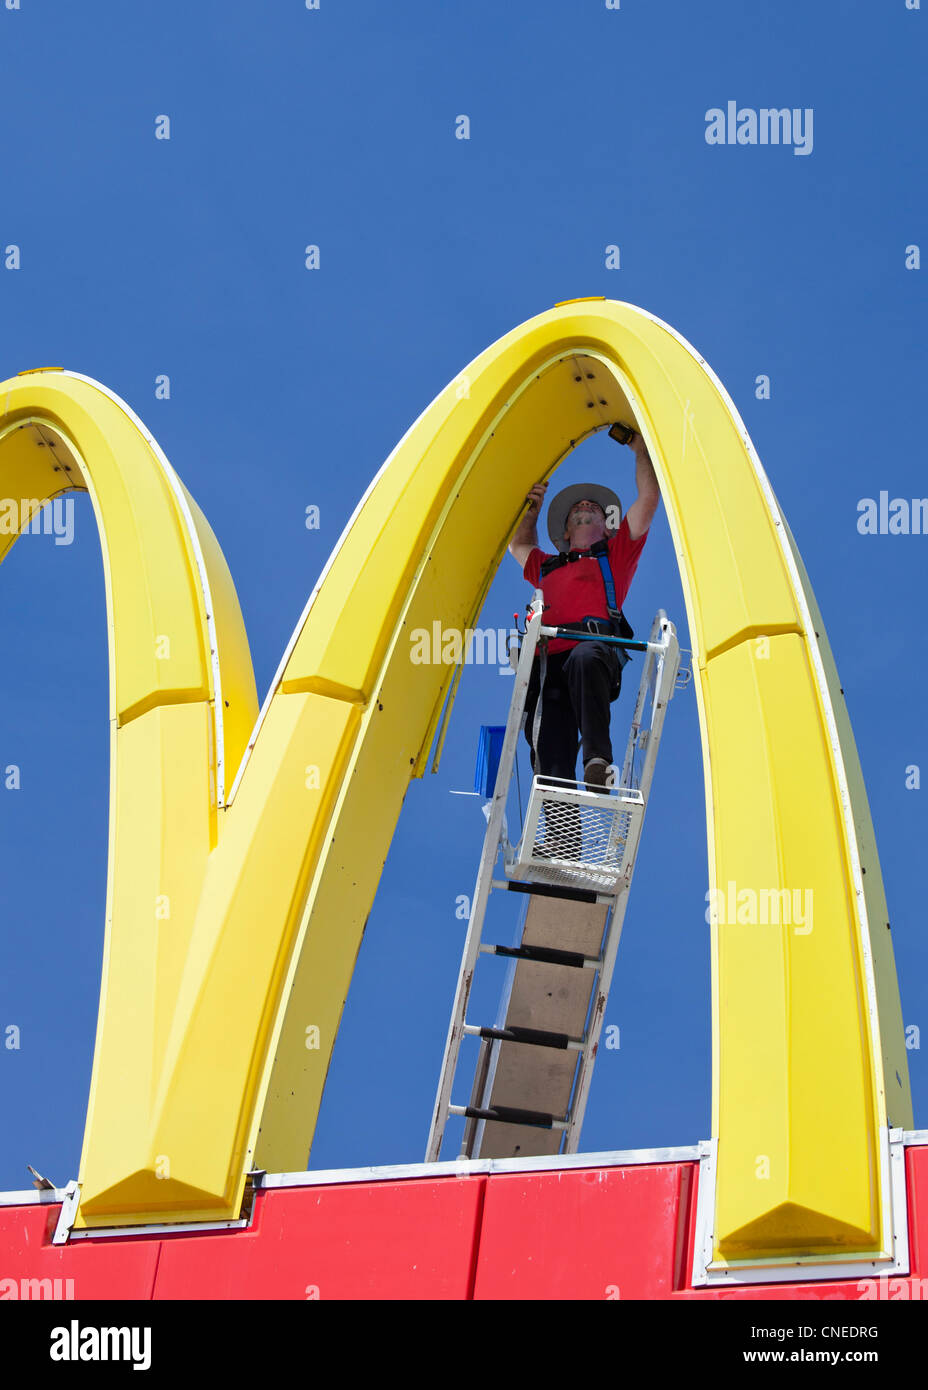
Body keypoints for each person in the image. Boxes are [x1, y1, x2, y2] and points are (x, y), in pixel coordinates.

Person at [508, 429, 660, 789]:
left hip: (591, 654)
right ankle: (562, 839)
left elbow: (649, 498)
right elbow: (518, 545)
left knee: (585, 657)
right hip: (549, 666)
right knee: (547, 743)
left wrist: (639, 449)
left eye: (592, 507)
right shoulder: (547, 566)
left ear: (608, 529)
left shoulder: (616, 555)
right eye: (577, 508)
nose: (584, 506)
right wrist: (532, 510)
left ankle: (596, 762)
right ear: (564, 532)